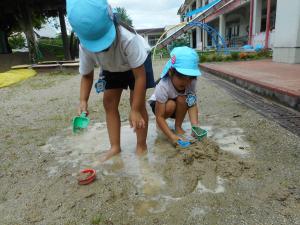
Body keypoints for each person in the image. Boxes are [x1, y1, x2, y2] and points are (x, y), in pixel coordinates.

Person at [66, 0, 155, 161]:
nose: (101, 49)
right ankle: (115, 146)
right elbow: (86, 75)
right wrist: (83, 100)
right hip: (112, 67)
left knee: (138, 103)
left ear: (111, 21)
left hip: (137, 66)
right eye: (96, 46)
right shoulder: (84, 46)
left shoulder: (128, 38)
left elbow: (140, 77)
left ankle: (141, 145)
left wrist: (134, 110)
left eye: (104, 43)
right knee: (108, 102)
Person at [148, 46, 201, 146]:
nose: (186, 82)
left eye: (190, 78)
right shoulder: (163, 86)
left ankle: (178, 126)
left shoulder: (191, 82)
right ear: (171, 72)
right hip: (160, 106)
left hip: (178, 103)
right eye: (182, 77)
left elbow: (192, 104)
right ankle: (161, 125)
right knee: (170, 105)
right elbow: (159, 116)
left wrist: (195, 127)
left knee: (183, 99)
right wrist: (171, 136)